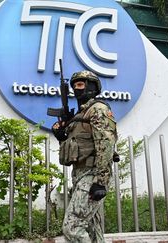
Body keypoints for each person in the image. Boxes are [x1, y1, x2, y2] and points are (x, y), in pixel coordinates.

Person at [52, 70, 117, 242]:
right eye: (74, 86)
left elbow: (106, 144)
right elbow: (77, 147)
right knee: (93, 230)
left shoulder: (98, 109)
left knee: (72, 227)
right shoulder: (81, 115)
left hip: (92, 175)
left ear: (92, 87)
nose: (76, 89)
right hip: (80, 174)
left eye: (80, 85)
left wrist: (100, 181)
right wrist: (61, 136)